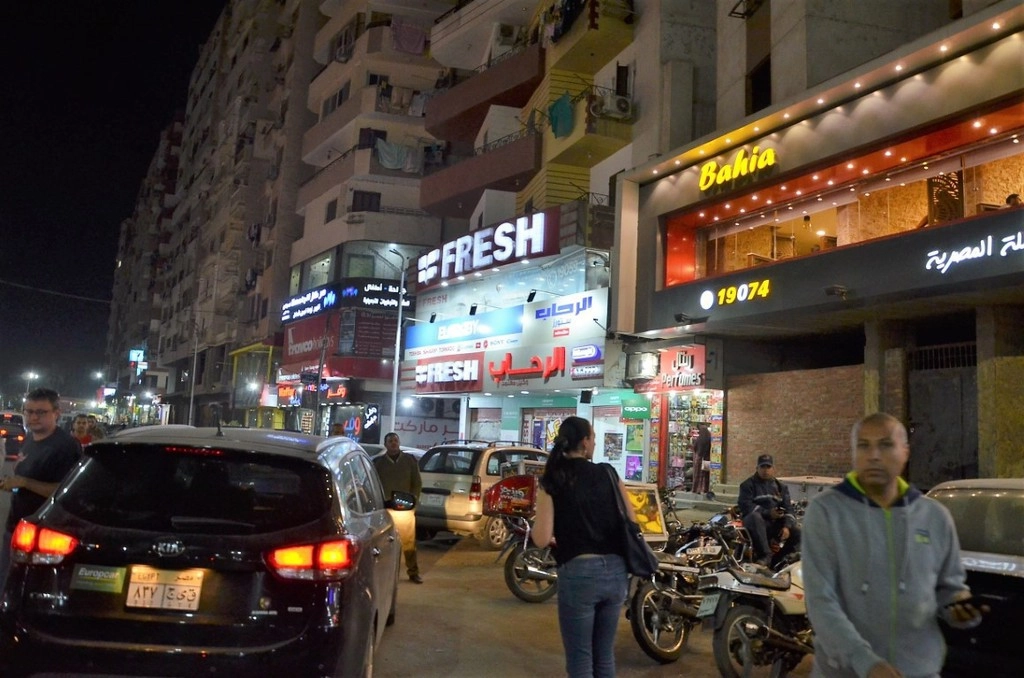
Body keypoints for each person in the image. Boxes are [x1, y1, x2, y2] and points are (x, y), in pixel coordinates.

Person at [802, 412, 985, 678]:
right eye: (864, 446)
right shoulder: (826, 512)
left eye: (886, 445)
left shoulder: (934, 516)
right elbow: (821, 602)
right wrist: (866, 662)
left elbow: (950, 589)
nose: (874, 455)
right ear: (853, 453)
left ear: (905, 452)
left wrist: (960, 610)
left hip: (919, 671)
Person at [532, 416, 636, 678]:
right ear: (585, 442)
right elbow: (632, 520)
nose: (595, 443)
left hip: (579, 574)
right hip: (616, 573)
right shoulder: (608, 473)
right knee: (604, 656)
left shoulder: (553, 479)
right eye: (593, 437)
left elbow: (541, 539)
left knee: (581, 660)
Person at [0, 388, 82, 587]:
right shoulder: (30, 438)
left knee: (27, 590)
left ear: (56, 413)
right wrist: (15, 485)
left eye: (41, 412)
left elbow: (67, 492)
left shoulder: (65, 446)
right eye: (29, 411)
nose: (33, 417)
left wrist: (25, 483)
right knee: (7, 586)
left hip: (44, 535)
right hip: (17, 527)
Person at [371, 432, 423, 583]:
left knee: (408, 542)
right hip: (386, 509)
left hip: (405, 509)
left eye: (395, 440)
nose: (393, 443)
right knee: (384, 543)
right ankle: (384, 574)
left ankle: (413, 572)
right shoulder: (378, 463)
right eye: (390, 441)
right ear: (385, 444)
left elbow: (417, 483)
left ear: (399, 443)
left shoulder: (409, 461)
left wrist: (412, 501)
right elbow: (374, 485)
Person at [737, 454, 800, 567]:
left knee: (798, 532)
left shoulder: (781, 487)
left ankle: (780, 560)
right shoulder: (747, 485)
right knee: (755, 516)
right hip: (754, 523)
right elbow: (746, 506)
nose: (765, 470)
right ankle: (765, 555)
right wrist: (768, 513)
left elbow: (789, 509)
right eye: (762, 467)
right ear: (757, 468)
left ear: (773, 469)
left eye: (768, 467)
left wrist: (787, 526)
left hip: (774, 524)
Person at [691, 422, 711, 495]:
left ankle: (696, 489)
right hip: (707, 459)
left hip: (699, 458)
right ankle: (705, 489)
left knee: (698, 474)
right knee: (706, 475)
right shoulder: (709, 438)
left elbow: (695, 448)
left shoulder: (699, 439)